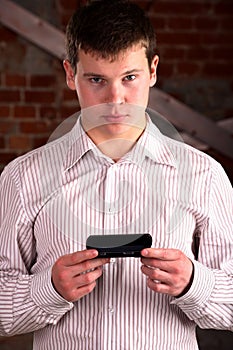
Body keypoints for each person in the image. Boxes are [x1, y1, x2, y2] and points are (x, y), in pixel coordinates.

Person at [0, 1, 232, 349]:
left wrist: (193, 282)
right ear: (69, 74)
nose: (115, 99)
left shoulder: (205, 176)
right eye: (96, 80)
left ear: (153, 70)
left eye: (129, 78)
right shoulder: (22, 178)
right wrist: (48, 289)